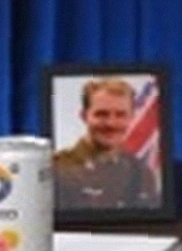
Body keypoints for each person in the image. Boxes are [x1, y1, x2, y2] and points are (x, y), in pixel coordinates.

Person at [55, 78, 159, 211]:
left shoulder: (142, 173)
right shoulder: (58, 170)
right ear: (84, 116)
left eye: (120, 115)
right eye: (101, 114)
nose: (111, 124)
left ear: (131, 117)